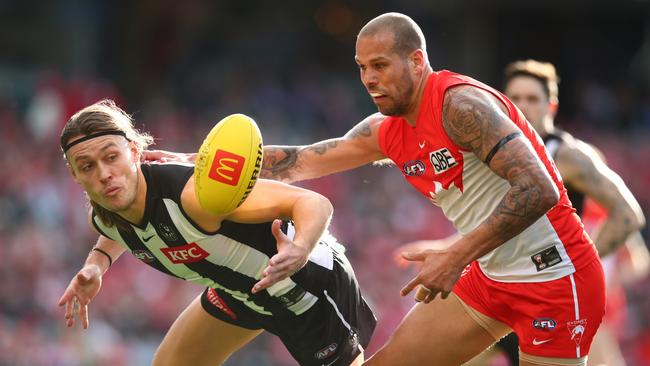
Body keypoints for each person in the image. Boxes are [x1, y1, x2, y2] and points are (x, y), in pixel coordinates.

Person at [145, 12, 608, 366]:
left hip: (556, 280)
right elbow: (304, 159)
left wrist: (455, 255)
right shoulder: (385, 129)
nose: (369, 78)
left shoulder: (461, 106)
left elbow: (540, 189)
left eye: (380, 65)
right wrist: (195, 164)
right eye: (362, 67)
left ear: (417, 61)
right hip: (490, 277)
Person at [57, 99, 377, 366]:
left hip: (306, 287)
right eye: (87, 167)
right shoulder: (105, 214)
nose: (104, 175)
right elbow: (116, 229)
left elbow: (312, 202)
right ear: (74, 175)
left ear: (135, 152)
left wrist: (300, 248)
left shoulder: (194, 197)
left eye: (111, 157)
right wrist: (95, 265)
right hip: (241, 293)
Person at [395, 59, 647, 365]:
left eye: (533, 99)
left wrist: (575, 265)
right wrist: (444, 248)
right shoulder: (493, 152)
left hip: (549, 298)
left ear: (551, 106)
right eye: (515, 98)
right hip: (499, 292)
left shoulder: (568, 155)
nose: (523, 106)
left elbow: (627, 215)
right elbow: (495, 225)